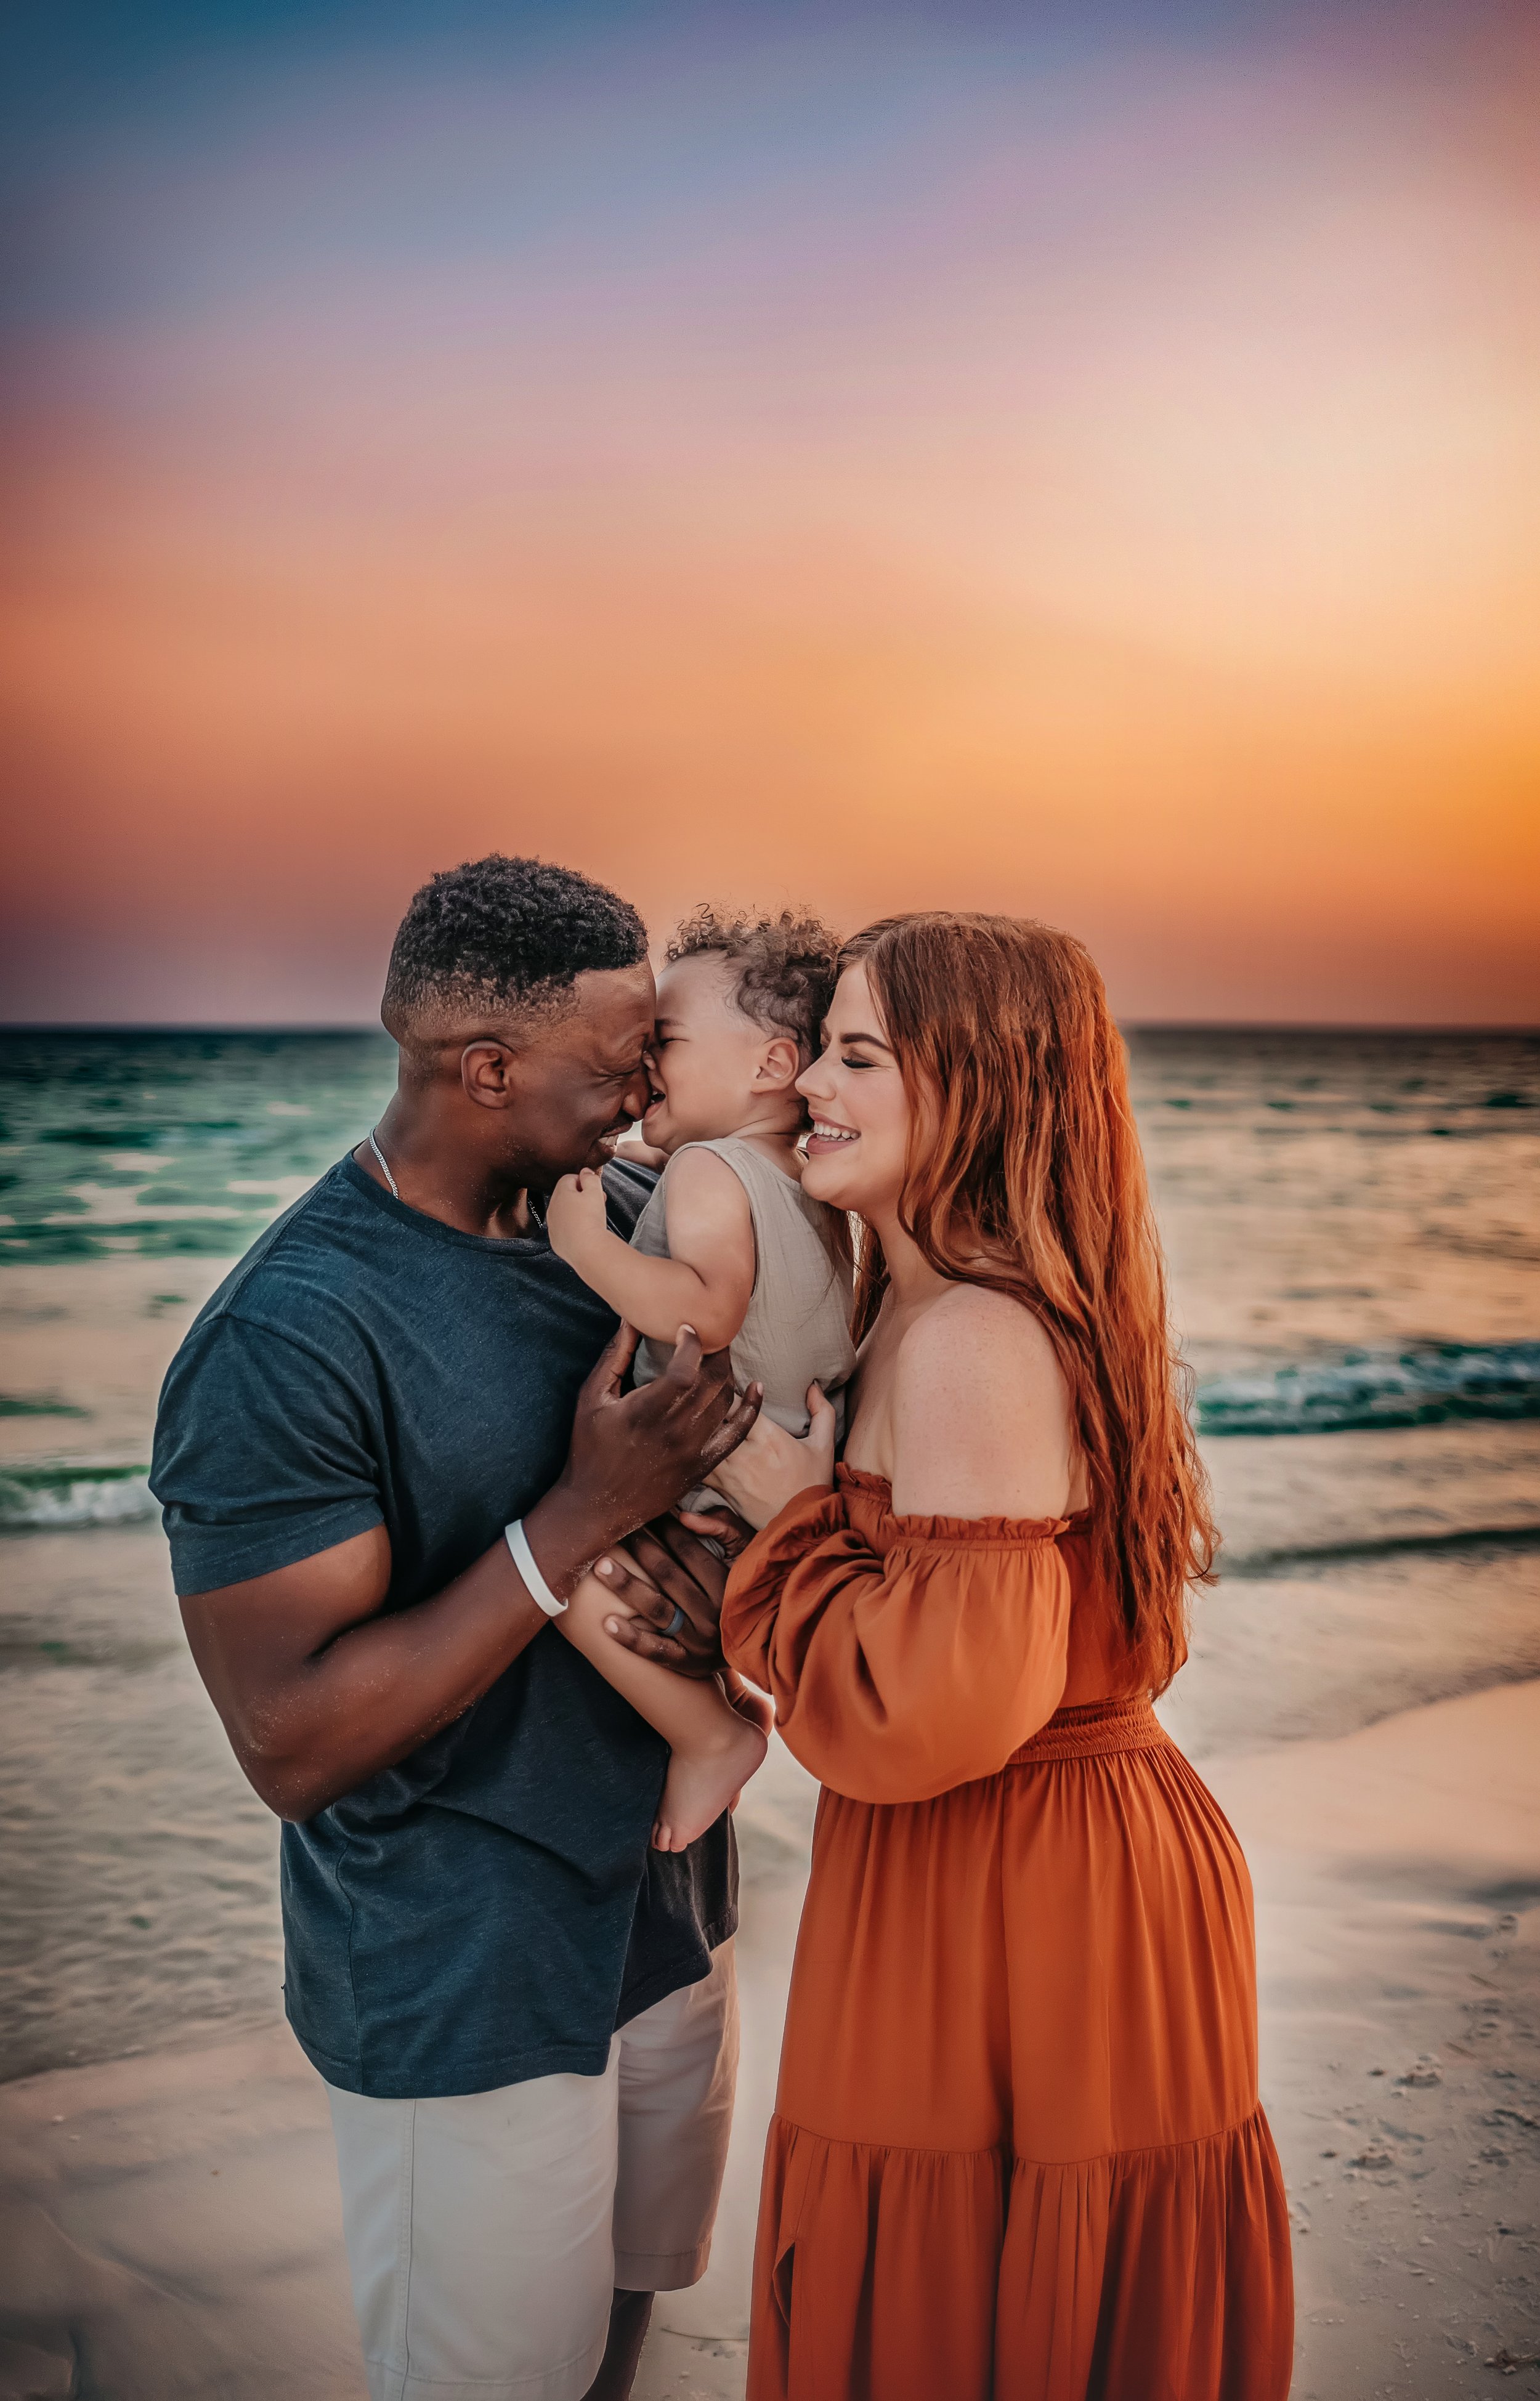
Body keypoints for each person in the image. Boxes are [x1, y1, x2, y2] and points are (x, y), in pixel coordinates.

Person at [150, 854, 763, 2401]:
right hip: (463, 1963)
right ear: (484, 1069)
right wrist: (574, 1515)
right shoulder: (289, 1334)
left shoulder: (621, 1221)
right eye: (613, 1058)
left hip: (666, 1902)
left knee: (627, 2316)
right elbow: (293, 1741)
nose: (641, 1091)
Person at [700, 912, 1294, 2400]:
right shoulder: (923, 1302)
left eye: (856, 1057)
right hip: (1007, 1858)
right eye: (818, 1050)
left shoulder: (970, 1332)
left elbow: (930, 1711)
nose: (806, 1091)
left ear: (977, 1083)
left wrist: (784, 1517)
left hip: (1020, 1875)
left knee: (968, 2298)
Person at [546, 906, 856, 1852]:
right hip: (772, 1491)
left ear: (769, 1065)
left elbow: (706, 1310)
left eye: (665, 1042)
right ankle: (720, 1697)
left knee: (565, 1587)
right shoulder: (811, 1185)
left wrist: (583, 1242)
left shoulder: (707, 1172)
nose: (643, 1066)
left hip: (705, 1480)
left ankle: (712, 1731)